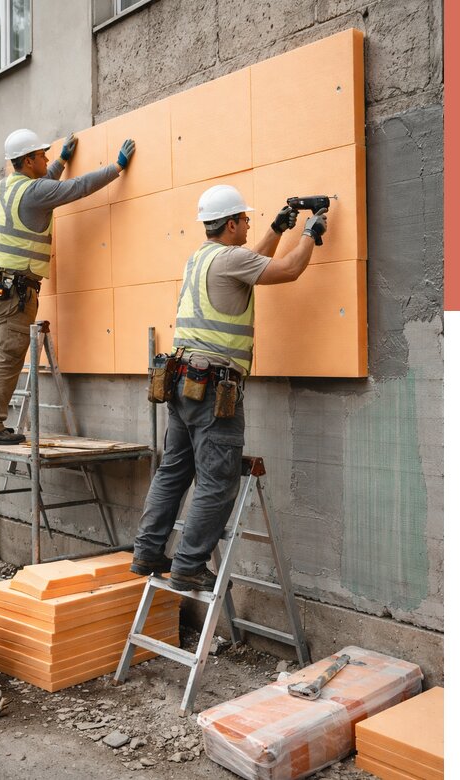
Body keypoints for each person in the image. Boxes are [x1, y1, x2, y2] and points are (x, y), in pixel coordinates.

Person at [131, 184, 328, 590]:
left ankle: (148, 552)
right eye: (247, 220)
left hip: (183, 383)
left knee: (173, 472)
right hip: (213, 387)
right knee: (217, 481)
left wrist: (276, 229)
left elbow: (249, 265)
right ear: (233, 223)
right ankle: (188, 566)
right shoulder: (232, 258)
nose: (249, 225)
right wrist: (311, 231)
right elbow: (288, 270)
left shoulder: (201, 258)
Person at [0, 129, 135, 445]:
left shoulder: (4, 188)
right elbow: (76, 188)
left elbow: (43, 185)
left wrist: (60, 160)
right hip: (13, 291)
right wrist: (116, 168)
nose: (47, 158)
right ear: (29, 159)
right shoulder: (35, 192)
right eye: (43, 155)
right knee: (6, 359)